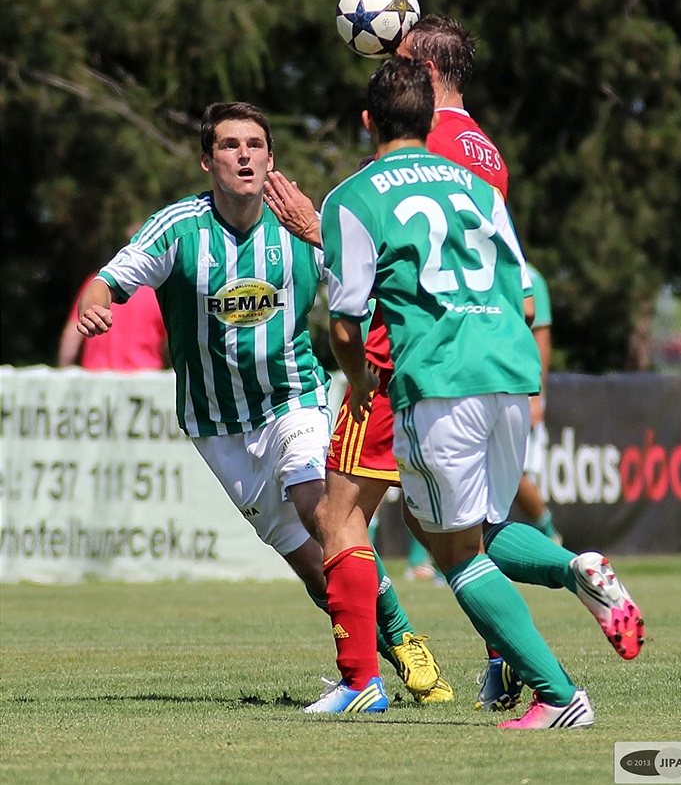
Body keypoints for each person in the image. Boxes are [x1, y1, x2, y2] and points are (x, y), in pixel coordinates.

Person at [265, 14, 644, 715]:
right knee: (481, 528)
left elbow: (373, 282)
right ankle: (559, 585)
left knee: (356, 522)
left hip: (414, 361)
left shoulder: (383, 173)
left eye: (400, 57)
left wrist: (321, 232)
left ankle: (365, 683)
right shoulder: (485, 161)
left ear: (415, 85)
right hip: (500, 358)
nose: (391, 60)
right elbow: (517, 282)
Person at [76, 101, 446, 704]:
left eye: (254, 144)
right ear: (206, 160)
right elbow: (108, 278)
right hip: (217, 425)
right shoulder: (178, 229)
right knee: (312, 567)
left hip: (294, 395)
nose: (243, 154)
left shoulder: (303, 228)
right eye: (228, 145)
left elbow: (370, 283)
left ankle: (396, 648)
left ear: (272, 159)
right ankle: (374, 652)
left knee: (319, 509)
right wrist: (96, 302)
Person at [58, 224, 168, 370]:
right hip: (145, 380)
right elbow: (172, 341)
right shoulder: (159, 289)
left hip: (98, 379)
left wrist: (63, 372)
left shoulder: (98, 284)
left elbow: (73, 334)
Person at [514, 262, 562, 544]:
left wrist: (535, 395)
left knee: (515, 477)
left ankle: (550, 536)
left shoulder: (529, 276)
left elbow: (540, 340)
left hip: (519, 391)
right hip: (484, 389)